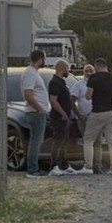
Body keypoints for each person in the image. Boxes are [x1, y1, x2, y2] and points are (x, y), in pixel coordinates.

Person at [83, 58, 112, 175]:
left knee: (89, 140)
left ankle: (89, 166)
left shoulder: (94, 78)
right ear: (106, 66)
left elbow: (88, 96)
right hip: (111, 112)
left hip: (97, 112)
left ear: (97, 66)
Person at [21, 50, 50, 178]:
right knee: (36, 141)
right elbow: (28, 94)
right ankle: (32, 169)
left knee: (37, 140)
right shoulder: (30, 73)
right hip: (35, 112)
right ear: (40, 59)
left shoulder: (33, 73)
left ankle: (34, 167)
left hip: (38, 111)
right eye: (44, 59)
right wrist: (39, 108)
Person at [47, 59, 77, 176]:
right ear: (63, 68)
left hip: (66, 117)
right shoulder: (54, 82)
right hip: (59, 117)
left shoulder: (62, 82)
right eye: (67, 69)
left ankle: (64, 164)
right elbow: (53, 101)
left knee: (65, 141)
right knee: (58, 141)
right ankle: (54, 165)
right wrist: (63, 113)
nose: (68, 72)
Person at [72, 63, 94, 137]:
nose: (89, 73)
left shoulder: (98, 84)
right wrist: (79, 115)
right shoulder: (78, 85)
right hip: (84, 118)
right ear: (83, 72)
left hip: (96, 117)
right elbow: (72, 102)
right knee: (86, 139)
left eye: (91, 71)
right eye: (86, 71)